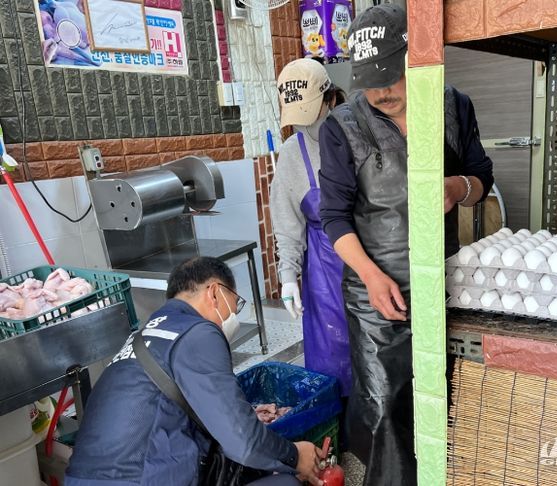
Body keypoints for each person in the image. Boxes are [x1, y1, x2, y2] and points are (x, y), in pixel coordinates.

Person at [318, 4, 494, 486]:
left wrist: (458, 188)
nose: (380, 92)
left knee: (446, 395)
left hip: (444, 285)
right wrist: (372, 277)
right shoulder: (342, 127)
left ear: (414, 59)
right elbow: (334, 216)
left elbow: (482, 177)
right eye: (369, 82)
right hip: (376, 294)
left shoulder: (454, 107)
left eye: (389, 76)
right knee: (384, 406)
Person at [65, 257, 323, 486]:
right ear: (214, 293)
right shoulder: (198, 332)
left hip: (84, 477)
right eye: (235, 304)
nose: (234, 314)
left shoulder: (143, 336)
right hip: (138, 477)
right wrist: (294, 456)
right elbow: (244, 442)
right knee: (285, 482)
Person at [270, 58, 352, 398]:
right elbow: (288, 223)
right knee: (331, 362)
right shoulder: (292, 153)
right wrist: (288, 276)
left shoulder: (358, 134)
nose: (306, 125)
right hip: (323, 273)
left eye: (311, 113)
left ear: (330, 99)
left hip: (372, 260)